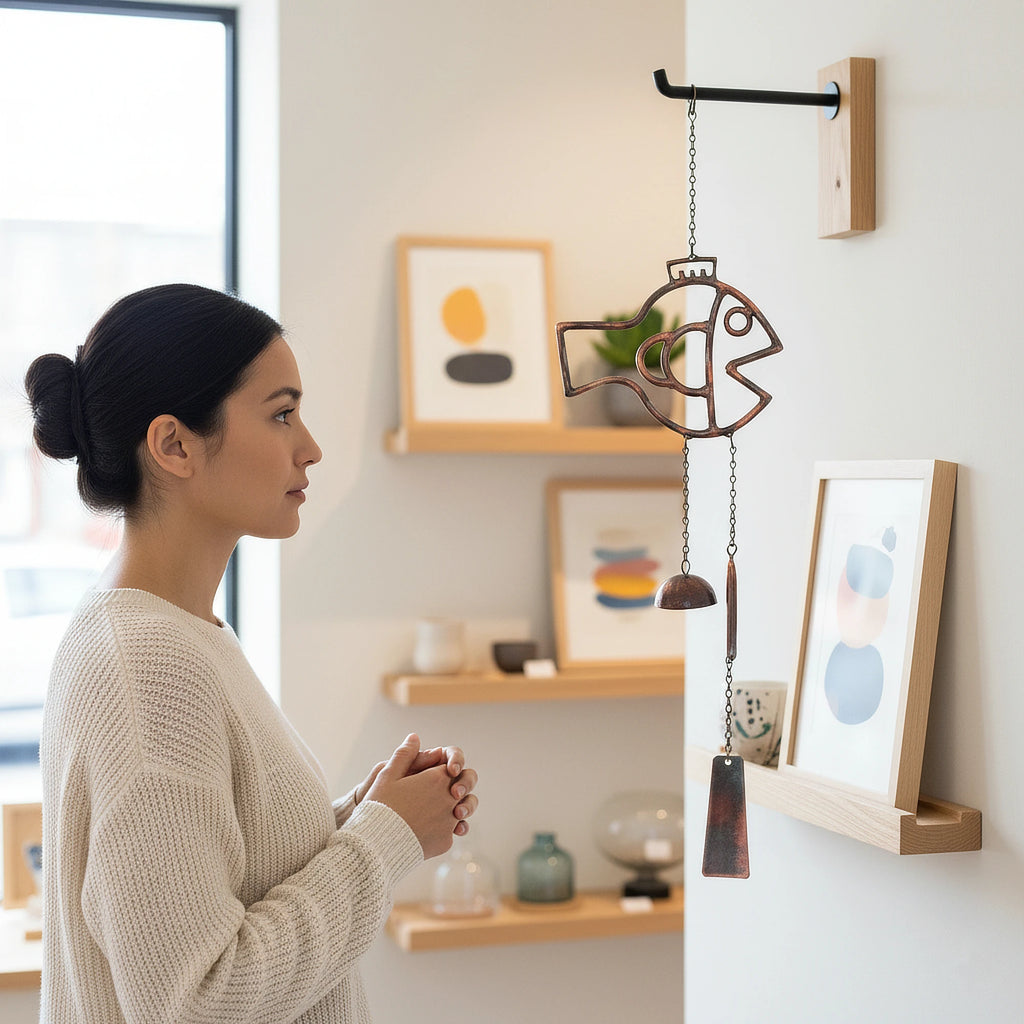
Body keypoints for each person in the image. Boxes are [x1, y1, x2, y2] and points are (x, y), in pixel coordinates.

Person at [24, 283, 478, 1023]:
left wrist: (363, 815)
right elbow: (197, 1000)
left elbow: (221, 877)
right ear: (173, 445)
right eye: (282, 413)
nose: (312, 447)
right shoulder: (147, 666)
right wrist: (384, 839)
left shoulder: (172, 634)